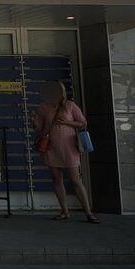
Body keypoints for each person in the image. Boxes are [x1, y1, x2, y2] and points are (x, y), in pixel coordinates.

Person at [31, 80, 99, 224]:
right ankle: (64, 211)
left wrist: (67, 122)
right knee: (56, 179)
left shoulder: (70, 105)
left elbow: (83, 123)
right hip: (51, 147)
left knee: (75, 179)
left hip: (69, 146)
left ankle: (88, 212)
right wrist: (35, 123)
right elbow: (40, 128)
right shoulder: (43, 107)